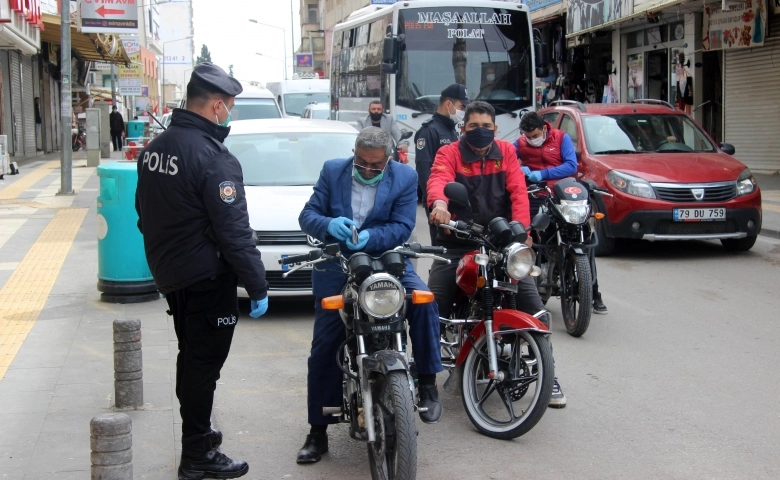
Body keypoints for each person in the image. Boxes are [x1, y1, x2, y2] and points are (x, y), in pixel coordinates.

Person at [135, 62, 269, 480]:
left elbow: (144, 213)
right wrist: (257, 285)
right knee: (202, 367)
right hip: (208, 279)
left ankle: (199, 437)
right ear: (215, 107)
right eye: (229, 105)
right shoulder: (214, 159)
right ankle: (196, 454)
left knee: (190, 358)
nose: (230, 112)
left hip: (173, 275)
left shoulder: (155, 148)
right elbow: (233, 232)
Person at [296, 127, 444, 464]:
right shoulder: (333, 170)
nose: (366, 171)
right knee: (325, 345)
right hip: (338, 264)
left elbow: (403, 225)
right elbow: (308, 216)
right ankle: (318, 431)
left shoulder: (405, 176)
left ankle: (428, 381)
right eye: (361, 163)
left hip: (388, 260)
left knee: (421, 301)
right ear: (354, 153)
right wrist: (328, 225)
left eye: (375, 167)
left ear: (388, 161)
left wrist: (372, 236)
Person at [426, 101, 566, 408]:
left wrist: (523, 236)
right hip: (459, 241)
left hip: (500, 242)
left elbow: (518, 193)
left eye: (486, 126)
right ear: (463, 128)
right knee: (431, 308)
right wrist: (439, 204)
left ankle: (548, 371)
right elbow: (438, 180)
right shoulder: (448, 153)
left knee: (532, 304)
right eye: (473, 126)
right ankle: (423, 377)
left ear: (496, 129)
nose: (480, 132)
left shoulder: (506, 152)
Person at [514, 111, 607, 314]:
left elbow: (571, 166)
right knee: (530, 238)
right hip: (535, 194)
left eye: (535, 135)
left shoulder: (561, 138)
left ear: (544, 128)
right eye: (528, 137)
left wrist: (543, 174)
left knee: (583, 239)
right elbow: (507, 160)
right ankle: (532, 288)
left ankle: (594, 293)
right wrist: (519, 169)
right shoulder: (519, 143)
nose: (531, 140)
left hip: (561, 195)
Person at [413, 83, 469, 245]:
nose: (464, 111)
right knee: (442, 252)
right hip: (439, 203)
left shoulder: (451, 129)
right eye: (462, 107)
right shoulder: (428, 131)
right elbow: (424, 170)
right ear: (448, 104)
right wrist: (435, 205)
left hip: (455, 200)